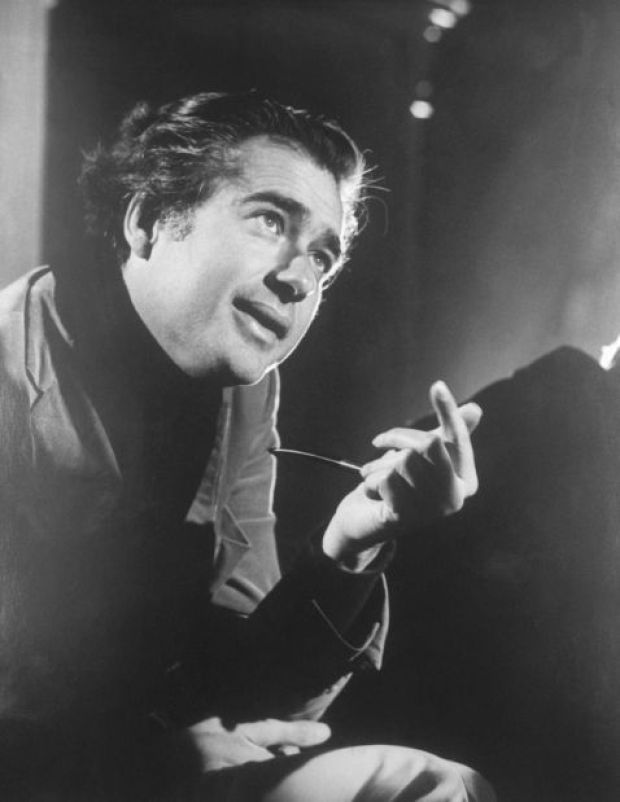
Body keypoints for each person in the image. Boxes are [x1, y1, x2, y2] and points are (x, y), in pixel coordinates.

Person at [0, 91, 493, 801]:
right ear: (148, 219)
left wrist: (351, 543)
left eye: (322, 257)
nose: (298, 280)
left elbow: (252, 695)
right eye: (270, 220)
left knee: (438, 787)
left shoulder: (242, 389)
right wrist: (138, 764)